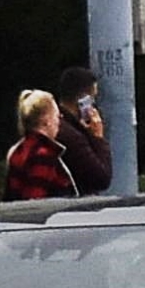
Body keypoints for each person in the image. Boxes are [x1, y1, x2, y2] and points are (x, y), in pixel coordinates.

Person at [2, 90, 77, 201]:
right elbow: (35, 203)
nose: (59, 120)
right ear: (46, 120)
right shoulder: (42, 155)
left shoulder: (19, 150)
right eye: (57, 116)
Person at [52, 66, 111, 194]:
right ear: (83, 100)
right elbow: (101, 178)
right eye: (92, 98)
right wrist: (98, 138)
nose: (94, 104)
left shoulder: (55, 125)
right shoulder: (72, 137)